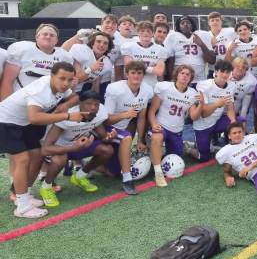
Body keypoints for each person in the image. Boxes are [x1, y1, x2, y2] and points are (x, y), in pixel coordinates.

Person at [0, 62, 85, 218]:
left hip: (23, 123)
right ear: (52, 76)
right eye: (62, 79)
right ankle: (23, 208)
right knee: (22, 160)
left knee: (37, 156)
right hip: (6, 122)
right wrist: (66, 115)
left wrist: (64, 106)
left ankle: (23, 195)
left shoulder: (61, 87)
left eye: (69, 79)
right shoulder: (41, 91)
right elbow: (34, 117)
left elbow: (76, 97)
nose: (66, 83)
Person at [40, 91, 116, 206]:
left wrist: (109, 138)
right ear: (79, 103)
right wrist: (73, 148)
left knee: (107, 150)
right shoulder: (67, 117)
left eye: (96, 104)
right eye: (89, 104)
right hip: (60, 149)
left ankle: (80, 177)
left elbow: (103, 135)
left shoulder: (100, 113)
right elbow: (45, 149)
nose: (93, 108)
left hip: (80, 146)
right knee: (59, 159)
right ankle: (46, 187)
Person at [104, 61, 154, 195]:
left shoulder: (147, 90)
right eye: (133, 73)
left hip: (121, 130)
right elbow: (105, 119)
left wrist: (140, 140)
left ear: (143, 75)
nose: (136, 76)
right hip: (106, 129)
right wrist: (125, 114)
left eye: (139, 73)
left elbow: (142, 117)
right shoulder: (115, 89)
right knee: (126, 137)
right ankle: (127, 179)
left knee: (113, 172)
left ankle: (98, 167)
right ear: (127, 74)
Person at [148, 65, 202, 186]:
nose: (184, 76)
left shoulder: (192, 94)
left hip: (177, 130)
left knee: (176, 158)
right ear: (176, 75)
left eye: (188, 74)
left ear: (190, 78)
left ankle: (182, 146)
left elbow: (193, 116)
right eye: (182, 73)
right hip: (161, 126)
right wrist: (153, 124)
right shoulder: (165, 87)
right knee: (157, 138)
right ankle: (158, 173)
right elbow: (151, 111)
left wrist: (202, 104)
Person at [1, 23, 74, 100]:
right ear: (37, 37)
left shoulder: (64, 56)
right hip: (22, 100)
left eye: (52, 35)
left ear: (56, 40)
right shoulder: (22, 49)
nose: (48, 36)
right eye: (45, 34)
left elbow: (67, 86)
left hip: (50, 103)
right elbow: (7, 81)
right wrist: (5, 105)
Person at [193, 60, 237, 161]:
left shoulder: (231, 86)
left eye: (228, 72)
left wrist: (233, 122)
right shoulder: (205, 85)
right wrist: (217, 104)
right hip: (203, 124)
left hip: (217, 120)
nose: (225, 74)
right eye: (222, 71)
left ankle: (233, 148)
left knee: (239, 120)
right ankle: (189, 148)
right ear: (216, 72)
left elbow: (230, 108)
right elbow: (204, 114)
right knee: (203, 157)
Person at [164, 15, 215, 85]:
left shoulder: (202, 35)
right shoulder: (173, 37)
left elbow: (212, 61)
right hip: (179, 80)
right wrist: (172, 79)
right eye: (182, 23)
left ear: (192, 25)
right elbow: (170, 61)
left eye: (188, 22)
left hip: (199, 81)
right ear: (178, 26)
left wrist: (202, 44)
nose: (185, 24)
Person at [121, 20, 168, 88]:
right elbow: (128, 69)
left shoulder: (160, 49)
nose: (145, 33)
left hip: (152, 85)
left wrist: (139, 66)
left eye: (148, 31)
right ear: (138, 33)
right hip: (133, 86)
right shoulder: (129, 47)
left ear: (153, 33)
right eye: (142, 31)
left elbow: (159, 71)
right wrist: (152, 68)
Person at [206, 12, 236, 77]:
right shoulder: (206, 35)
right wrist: (210, 44)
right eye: (212, 20)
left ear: (221, 22)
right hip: (213, 69)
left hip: (228, 68)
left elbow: (242, 32)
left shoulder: (230, 31)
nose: (215, 22)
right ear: (209, 22)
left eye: (217, 20)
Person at [230, 57, 257, 128]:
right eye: (237, 66)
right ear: (233, 67)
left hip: (236, 109)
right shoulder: (225, 75)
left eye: (243, 67)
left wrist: (242, 121)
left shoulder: (251, 81)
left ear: (246, 69)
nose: (240, 68)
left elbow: (245, 105)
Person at [113, 15, 136, 81]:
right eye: (124, 24)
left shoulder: (136, 40)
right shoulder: (114, 37)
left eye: (130, 24)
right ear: (119, 27)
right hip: (114, 73)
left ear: (134, 28)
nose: (127, 26)